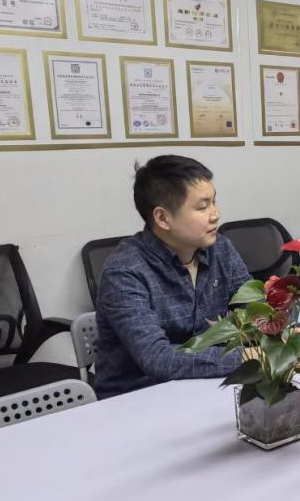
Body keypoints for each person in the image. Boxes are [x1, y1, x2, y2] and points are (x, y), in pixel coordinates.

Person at [94, 155, 252, 399]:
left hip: (207, 386)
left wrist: (290, 333)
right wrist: (248, 357)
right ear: (162, 218)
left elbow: (254, 309)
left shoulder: (221, 249)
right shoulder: (125, 271)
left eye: (214, 202)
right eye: (202, 207)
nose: (215, 214)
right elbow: (158, 358)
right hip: (136, 397)